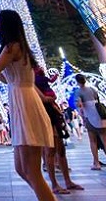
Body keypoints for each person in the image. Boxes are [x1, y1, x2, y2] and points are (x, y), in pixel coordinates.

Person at [0, 9, 56, 201]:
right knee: (22, 169)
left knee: (33, 172)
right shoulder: (15, 47)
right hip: (21, 101)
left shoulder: (12, 47)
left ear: (5, 24)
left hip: (26, 104)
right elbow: (5, 78)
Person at [35, 66, 82, 195]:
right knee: (50, 150)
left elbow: (50, 96)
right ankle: (55, 184)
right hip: (46, 115)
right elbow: (46, 98)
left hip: (53, 114)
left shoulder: (39, 79)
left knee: (60, 149)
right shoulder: (32, 80)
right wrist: (48, 98)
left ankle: (67, 181)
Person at [75, 74, 106, 170]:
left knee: (93, 141)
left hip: (89, 117)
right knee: (105, 141)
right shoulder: (93, 89)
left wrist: (80, 108)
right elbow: (97, 100)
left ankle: (96, 163)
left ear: (77, 82)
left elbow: (79, 104)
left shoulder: (78, 92)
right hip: (100, 116)